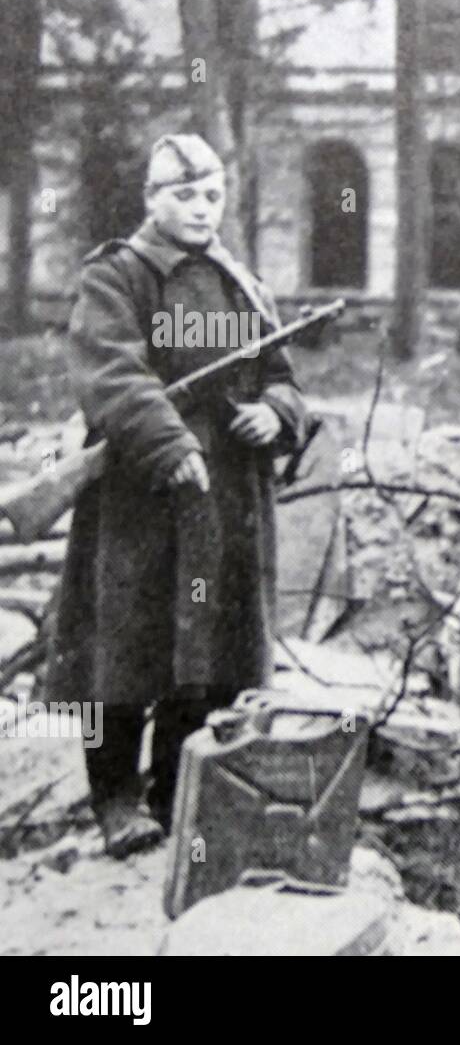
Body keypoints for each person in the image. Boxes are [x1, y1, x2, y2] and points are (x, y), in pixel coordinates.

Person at [42, 134, 309, 857]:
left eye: (212, 194)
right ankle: (117, 801)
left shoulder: (244, 284)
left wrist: (276, 412)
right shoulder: (117, 276)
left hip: (226, 497)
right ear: (152, 200)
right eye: (183, 194)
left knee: (210, 656)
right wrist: (170, 443)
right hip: (141, 496)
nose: (200, 208)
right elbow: (111, 376)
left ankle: (174, 794)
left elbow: (282, 374)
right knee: (126, 648)